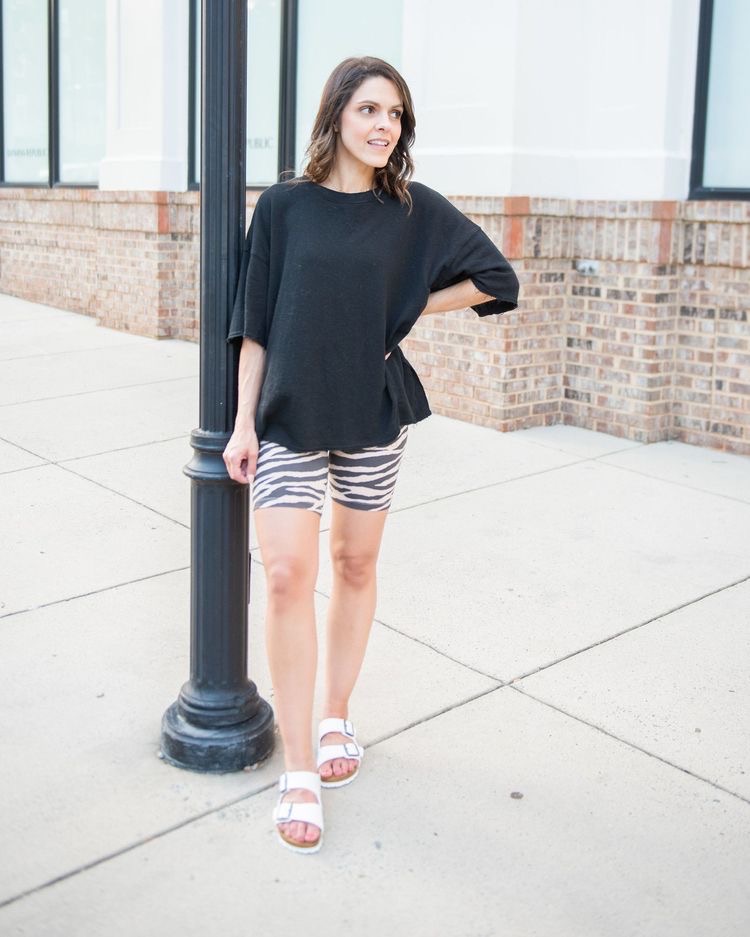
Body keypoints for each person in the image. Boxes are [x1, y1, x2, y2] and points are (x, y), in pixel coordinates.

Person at [222, 55, 519, 854]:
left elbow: (497, 277)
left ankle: (334, 718)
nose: (385, 125)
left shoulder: (413, 212)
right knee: (287, 574)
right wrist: (242, 421)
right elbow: (254, 320)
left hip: (372, 412)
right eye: (370, 109)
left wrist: (417, 297)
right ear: (337, 117)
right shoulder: (284, 207)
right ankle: (298, 768)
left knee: (354, 565)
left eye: (396, 114)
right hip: (286, 410)